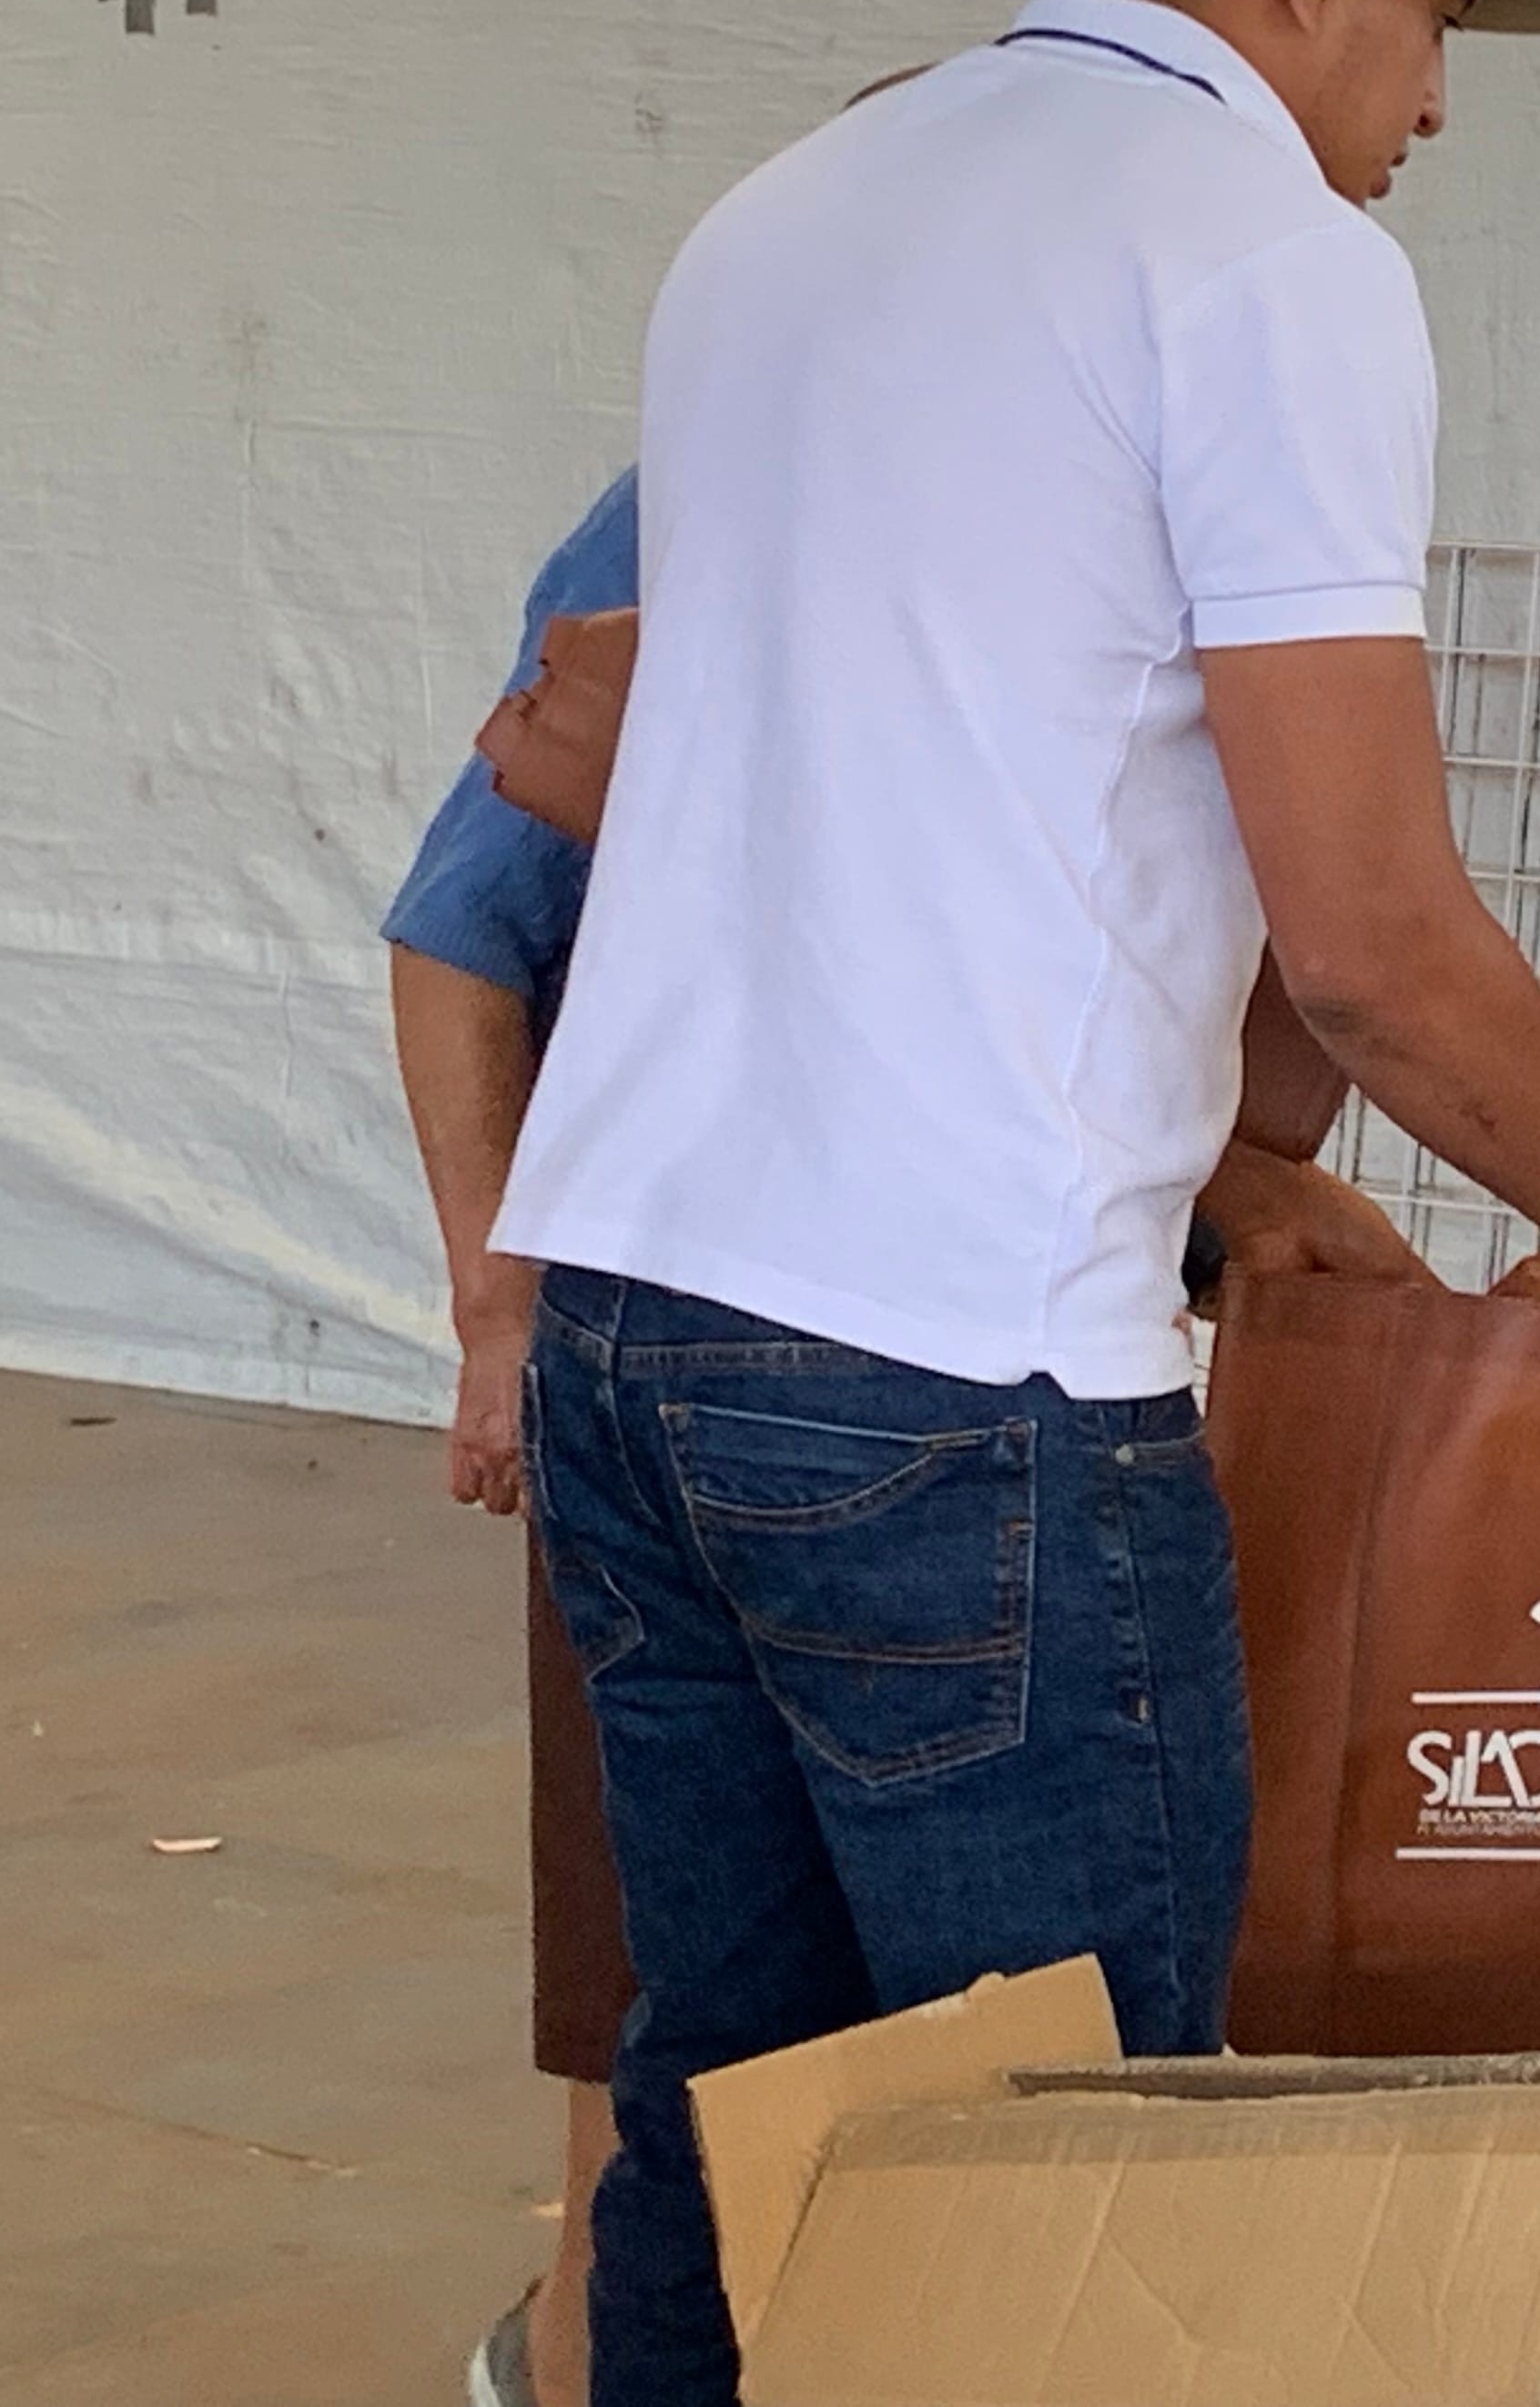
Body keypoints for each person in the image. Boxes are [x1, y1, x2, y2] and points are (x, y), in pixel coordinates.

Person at [482, 0, 1540, 2397]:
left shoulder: (789, 213)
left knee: (734, 2098)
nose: (1437, 100)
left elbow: (933, 788)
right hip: (949, 1380)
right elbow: (1374, 930)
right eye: (1443, 10)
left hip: (633, 1305)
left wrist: (1224, 1174)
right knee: (1086, 2180)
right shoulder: (1264, 266)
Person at [385, 455, 1427, 2405]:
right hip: (793, 1358)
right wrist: (493, 1306)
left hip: (714, 1349)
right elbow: (463, 930)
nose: (1426, 125)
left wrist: (1212, 1184)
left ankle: (608, 2353)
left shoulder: (1082, 506)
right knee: (996, 2101)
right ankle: (570, 2354)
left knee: (734, 2037)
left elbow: (1172, 1001)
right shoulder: (716, 509)